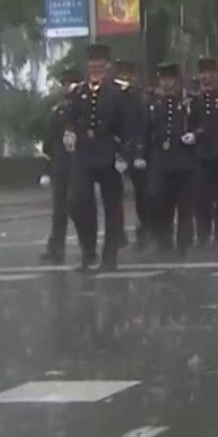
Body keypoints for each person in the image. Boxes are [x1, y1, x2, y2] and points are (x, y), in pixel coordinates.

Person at [66, 43, 132, 272]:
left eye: (99, 64)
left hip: (108, 152)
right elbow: (71, 118)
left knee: (112, 206)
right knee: (78, 202)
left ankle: (110, 255)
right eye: (91, 64)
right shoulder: (79, 92)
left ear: (107, 66)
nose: (95, 68)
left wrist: (124, 154)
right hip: (84, 152)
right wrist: (70, 134)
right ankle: (87, 251)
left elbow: (127, 125)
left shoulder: (118, 92)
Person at [141, 62, 198, 254]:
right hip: (160, 159)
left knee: (184, 204)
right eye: (163, 79)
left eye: (170, 79)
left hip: (183, 158)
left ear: (177, 80)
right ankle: (162, 237)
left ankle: (184, 242)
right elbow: (145, 130)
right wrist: (140, 154)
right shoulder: (152, 103)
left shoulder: (188, 101)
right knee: (157, 197)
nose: (167, 84)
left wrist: (195, 134)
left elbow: (202, 123)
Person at [190, 57, 218, 246]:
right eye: (203, 74)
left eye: (210, 74)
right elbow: (188, 123)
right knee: (200, 196)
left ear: (217, 76)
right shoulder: (193, 100)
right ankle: (202, 233)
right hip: (200, 155)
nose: (206, 78)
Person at [39, 68, 81, 265]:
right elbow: (51, 144)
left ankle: (86, 245)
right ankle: (56, 249)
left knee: (77, 206)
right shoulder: (58, 111)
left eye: (71, 83)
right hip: (62, 165)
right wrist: (47, 170)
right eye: (65, 84)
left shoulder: (85, 109)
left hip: (81, 164)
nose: (67, 87)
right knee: (59, 210)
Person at [112, 59, 148, 249]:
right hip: (117, 149)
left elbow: (142, 124)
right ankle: (118, 232)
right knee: (114, 194)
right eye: (122, 74)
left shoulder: (137, 97)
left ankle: (144, 229)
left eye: (128, 75)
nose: (125, 78)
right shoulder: (112, 95)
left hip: (135, 149)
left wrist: (139, 152)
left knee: (141, 193)